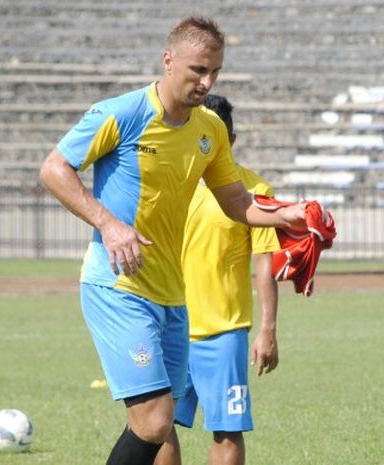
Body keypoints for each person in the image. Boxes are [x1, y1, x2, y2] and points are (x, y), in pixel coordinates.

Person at [38, 16, 306, 465]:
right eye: (198, 70)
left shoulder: (210, 130)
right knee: (157, 420)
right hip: (119, 286)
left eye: (215, 72)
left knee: (156, 425)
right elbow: (53, 169)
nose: (207, 81)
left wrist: (288, 215)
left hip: (173, 296)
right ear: (168, 60)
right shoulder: (122, 113)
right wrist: (109, 224)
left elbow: (238, 201)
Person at [156, 95, 281, 465]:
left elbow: (265, 262)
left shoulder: (255, 192)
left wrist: (268, 330)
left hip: (223, 331)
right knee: (157, 425)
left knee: (227, 429)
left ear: (231, 140)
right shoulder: (171, 183)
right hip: (169, 324)